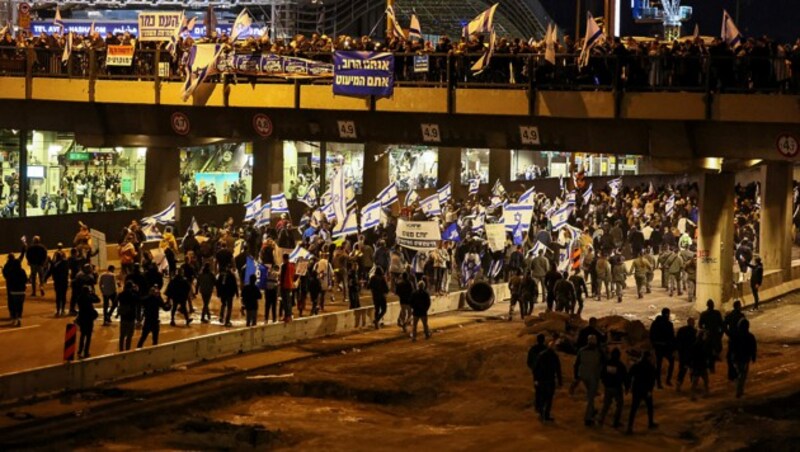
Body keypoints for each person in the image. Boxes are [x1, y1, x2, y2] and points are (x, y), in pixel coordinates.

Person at [575, 335, 604, 426]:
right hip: (593, 377)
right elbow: (604, 362)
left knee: (590, 394)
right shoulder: (598, 352)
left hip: (583, 376)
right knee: (591, 397)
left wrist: (576, 376)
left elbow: (576, 364)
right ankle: (588, 418)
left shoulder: (581, 351)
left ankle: (592, 409)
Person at [626, 351, 658, 434]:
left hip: (636, 389)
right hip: (646, 390)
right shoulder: (650, 367)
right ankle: (650, 423)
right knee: (649, 407)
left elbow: (629, 375)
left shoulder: (636, 365)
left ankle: (629, 426)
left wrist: (629, 387)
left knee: (634, 408)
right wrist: (650, 390)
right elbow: (652, 380)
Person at [533, 340, 562, 423]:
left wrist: (536, 379)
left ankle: (542, 414)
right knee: (549, 398)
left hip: (542, 380)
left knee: (543, 397)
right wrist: (559, 381)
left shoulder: (541, 355)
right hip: (550, 380)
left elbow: (536, 368)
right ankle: (546, 415)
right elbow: (558, 370)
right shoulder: (555, 356)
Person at [598, 348, 627, 429]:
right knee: (619, 405)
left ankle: (601, 419)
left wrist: (604, 382)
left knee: (606, 404)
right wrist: (627, 386)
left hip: (608, 387)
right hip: (617, 388)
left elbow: (602, 374)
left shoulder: (607, 364)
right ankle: (616, 422)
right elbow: (625, 377)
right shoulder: (620, 365)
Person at [730, 319, 757, 398]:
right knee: (742, 374)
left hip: (736, 357)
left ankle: (740, 390)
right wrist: (753, 356)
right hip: (744, 358)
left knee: (740, 373)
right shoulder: (750, 336)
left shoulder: (735, 335)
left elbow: (731, 347)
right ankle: (739, 390)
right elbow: (753, 347)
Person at [649, 307, 675, 388]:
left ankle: (659, 382)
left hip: (659, 346)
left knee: (659, 365)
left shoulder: (655, 323)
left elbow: (651, 334)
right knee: (669, 362)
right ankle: (667, 380)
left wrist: (653, 343)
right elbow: (672, 337)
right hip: (664, 347)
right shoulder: (668, 324)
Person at [723, 300, 746, 381]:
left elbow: (724, 325)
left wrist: (728, 333)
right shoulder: (741, 316)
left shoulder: (730, 315)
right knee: (739, 357)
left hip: (732, 339)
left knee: (730, 357)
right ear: (738, 306)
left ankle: (732, 373)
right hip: (739, 339)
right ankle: (738, 373)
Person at [699, 299, 724, 372]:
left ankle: (709, 364)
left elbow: (700, 325)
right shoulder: (717, 313)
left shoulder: (704, 314)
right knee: (716, 347)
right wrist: (720, 333)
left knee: (708, 349)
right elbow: (721, 324)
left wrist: (704, 331)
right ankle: (712, 365)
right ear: (713, 305)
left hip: (709, 333)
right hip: (715, 333)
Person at [75, 286, 100, 358]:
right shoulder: (89, 298)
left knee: (82, 335)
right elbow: (98, 300)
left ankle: (80, 350)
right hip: (88, 318)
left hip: (82, 317)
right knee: (88, 336)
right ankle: (86, 351)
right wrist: (93, 294)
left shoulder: (79, 298)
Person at [526, 334, 548, 414]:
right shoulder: (546, 349)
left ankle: (538, 405)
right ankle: (542, 405)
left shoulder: (533, 349)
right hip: (545, 373)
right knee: (544, 389)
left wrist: (533, 368)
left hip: (536, 373)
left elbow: (529, 361)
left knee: (538, 388)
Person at [3, 254, 27, 327]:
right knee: (20, 306)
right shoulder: (22, 271)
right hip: (21, 291)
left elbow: (6, 276)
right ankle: (19, 318)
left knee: (13, 304)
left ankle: (13, 317)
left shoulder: (9, 269)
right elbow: (25, 280)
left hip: (13, 290)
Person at [674, 317, 698, 392]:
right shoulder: (694, 331)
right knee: (692, 370)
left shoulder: (681, 330)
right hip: (691, 354)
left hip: (683, 354)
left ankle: (678, 384)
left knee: (682, 370)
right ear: (693, 323)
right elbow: (696, 343)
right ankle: (693, 386)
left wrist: (678, 351)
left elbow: (677, 341)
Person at [689, 330, 711, 401]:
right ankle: (706, 393)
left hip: (697, 364)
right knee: (705, 379)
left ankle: (693, 395)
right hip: (701, 364)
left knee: (696, 380)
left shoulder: (695, 344)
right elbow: (705, 354)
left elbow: (692, 355)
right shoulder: (703, 344)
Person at [117, 281, 139, 352]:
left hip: (123, 316)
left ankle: (121, 349)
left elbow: (115, 302)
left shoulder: (121, 294)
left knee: (122, 335)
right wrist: (136, 291)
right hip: (131, 317)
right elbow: (138, 301)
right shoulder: (133, 295)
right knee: (129, 336)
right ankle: (127, 349)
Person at [47, 250, 70, 317]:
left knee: (58, 296)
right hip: (63, 282)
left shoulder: (54, 264)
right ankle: (62, 310)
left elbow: (50, 272)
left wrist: (45, 278)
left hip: (58, 282)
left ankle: (58, 310)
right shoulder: (65, 263)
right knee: (63, 296)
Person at [279, 253, 296, 322]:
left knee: (285, 302)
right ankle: (289, 316)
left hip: (285, 285)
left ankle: (287, 316)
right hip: (290, 285)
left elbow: (282, 277)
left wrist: (280, 284)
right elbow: (294, 276)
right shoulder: (292, 266)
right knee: (289, 301)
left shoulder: (284, 266)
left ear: (284, 259)